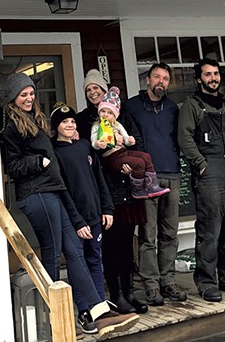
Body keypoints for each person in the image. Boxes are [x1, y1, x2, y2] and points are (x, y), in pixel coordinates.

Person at [0, 72, 139, 336]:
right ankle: (52, 320)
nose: (29, 98)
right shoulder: (11, 128)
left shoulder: (33, 120)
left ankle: (98, 312)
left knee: (74, 252)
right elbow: (14, 167)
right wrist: (40, 161)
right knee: (53, 255)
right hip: (36, 194)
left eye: (31, 93)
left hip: (51, 191)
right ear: (13, 98)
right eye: (23, 95)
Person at [177, 58, 225, 303]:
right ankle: (207, 282)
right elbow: (184, 137)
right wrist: (201, 164)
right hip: (209, 174)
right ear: (199, 79)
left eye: (216, 73)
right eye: (208, 74)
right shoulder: (192, 106)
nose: (213, 78)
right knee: (210, 229)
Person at [76, 70, 148, 315]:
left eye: (97, 88)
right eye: (89, 90)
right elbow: (86, 154)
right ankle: (115, 293)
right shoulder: (85, 120)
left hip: (127, 187)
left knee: (128, 242)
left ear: (104, 89)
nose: (93, 92)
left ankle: (130, 292)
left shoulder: (122, 114)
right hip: (105, 189)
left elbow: (136, 140)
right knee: (110, 244)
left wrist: (130, 158)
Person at [125, 62, 187, 306]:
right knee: (148, 235)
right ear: (147, 80)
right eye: (157, 77)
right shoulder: (131, 107)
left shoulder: (173, 109)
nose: (161, 81)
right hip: (146, 178)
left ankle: (168, 280)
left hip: (172, 173)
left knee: (170, 233)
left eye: (165, 78)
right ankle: (151, 285)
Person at [51, 102, 114, 312]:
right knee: (78, 264)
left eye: (72, 121)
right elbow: (63, 190)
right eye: (64, 122)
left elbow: (99, 178)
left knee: (95, 259)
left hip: (95, 215)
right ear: (56, 126)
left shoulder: (85, 145)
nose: (69, 125)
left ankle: (100, 306)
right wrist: (77, 221)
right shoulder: (55, 153)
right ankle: (84, 309)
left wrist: (107, 208)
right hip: (75, 220)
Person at [91, 86, 170, 200]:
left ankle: (152, 185)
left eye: (110, 112)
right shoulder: (97, 126)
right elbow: (93, 142)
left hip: (123, 152)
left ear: (115, 115)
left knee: (146, 157)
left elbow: (126, 138)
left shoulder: (118, 125)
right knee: (139, 163)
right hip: (112, 157)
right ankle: (138, 189)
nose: (105, 115)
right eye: (103, 111)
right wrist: (98, 144)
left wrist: (129, 140)